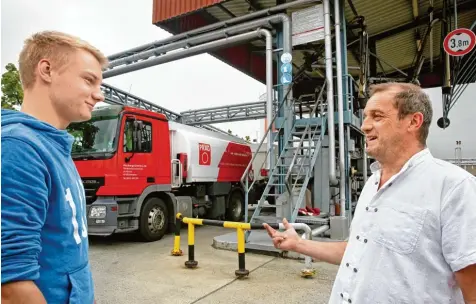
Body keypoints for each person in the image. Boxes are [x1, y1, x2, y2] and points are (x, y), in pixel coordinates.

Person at [264, 82, 476, 303]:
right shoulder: (372, 183)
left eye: (377, 116)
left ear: (413, 121)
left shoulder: (453, 188)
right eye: (365, 116)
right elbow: (360, 250)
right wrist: (299, 244)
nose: (364, 126)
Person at [1, 30, 108, 303]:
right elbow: (11, 284)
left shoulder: (54, 148)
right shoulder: (19, 148)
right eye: (89, 80)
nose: (99, 95)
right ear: (46, 70)